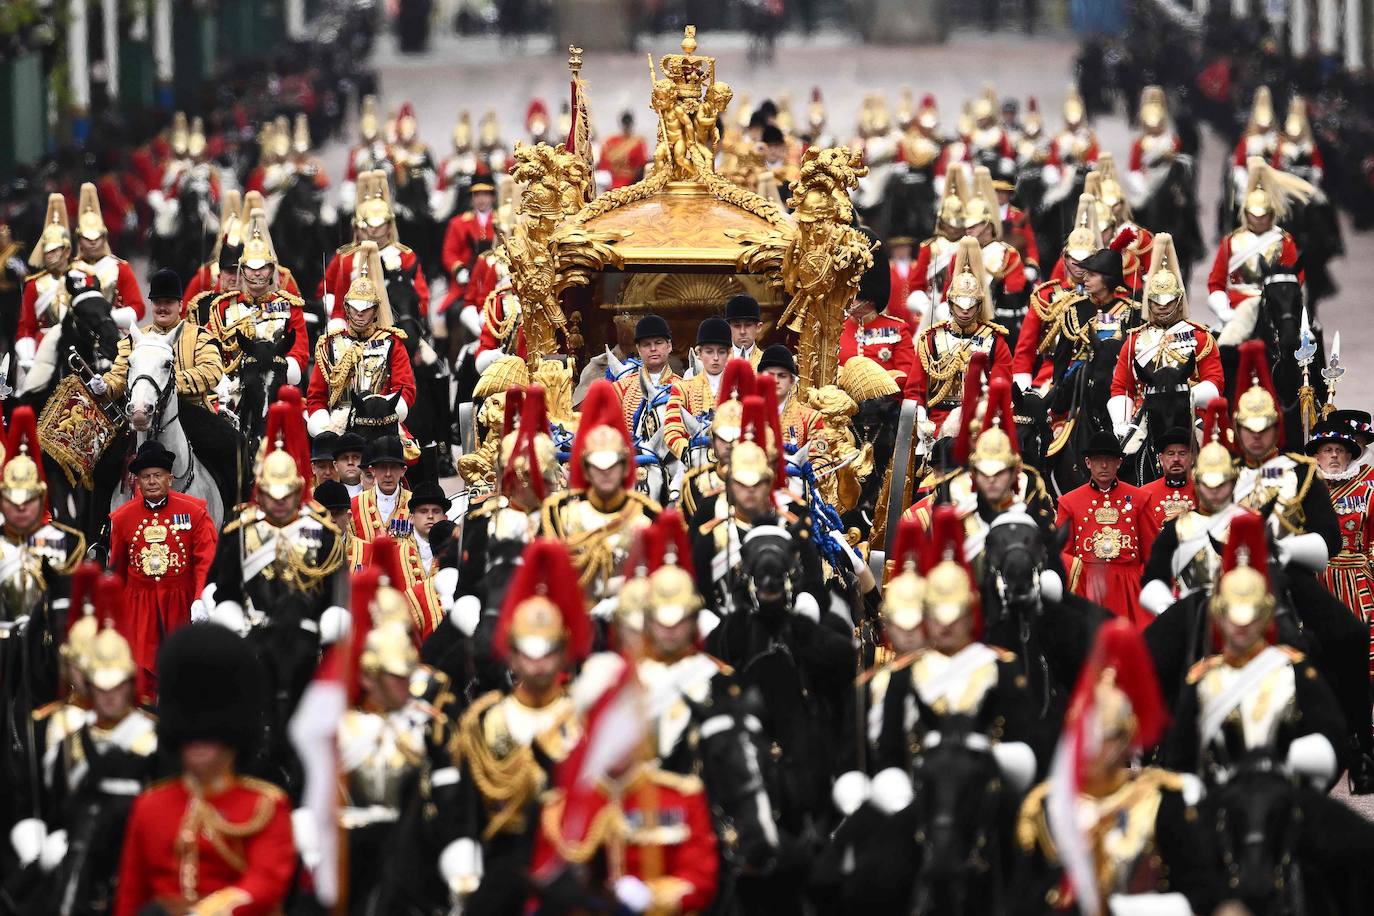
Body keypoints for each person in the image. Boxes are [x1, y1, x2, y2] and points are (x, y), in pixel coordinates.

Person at [1229, 340, 1374, 790]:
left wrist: (1288, 549)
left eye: (1265, 427)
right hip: (1235, 576)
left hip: (1297, 570)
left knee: (1351, 636)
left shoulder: (1300, 473)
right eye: (1248, 429)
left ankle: (1361, 748)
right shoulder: (1224, 469)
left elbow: (1329, 538)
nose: (1257, 437)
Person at [1017, 621, 1226, 916]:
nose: (1092, 748)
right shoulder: (1046, 808)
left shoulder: (1160, 802)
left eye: (1105, 737)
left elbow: (1201, 894)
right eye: (1084, 735)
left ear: (1126, 737)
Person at [435, 539, 588, 911]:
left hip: (568, 866)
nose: (537, 665)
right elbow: (468, 809)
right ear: (511, 653)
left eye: (548, 652)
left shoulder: (582, 722)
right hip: (500, 860)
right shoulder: (485, 720)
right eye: (527, 653)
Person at [113, 623, 293, 916]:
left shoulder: (265, 807)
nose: (199, 743)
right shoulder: (150, 807)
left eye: (211, 737)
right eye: (191, 735)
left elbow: (265, 885)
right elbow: (130, 901)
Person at [1163, 510, 1345, 788]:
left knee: (1350, 635)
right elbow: (1181, 759)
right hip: (1224, 794)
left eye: (1250, 617)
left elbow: (1330, 741)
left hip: (1283, 791)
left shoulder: (1296, 670)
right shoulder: (1201, 679)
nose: (1241, 626)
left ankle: (1365, 752)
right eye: (1233, 617)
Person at [205, 397, 344, 620]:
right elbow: (224, 586)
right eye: (271, 494)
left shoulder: (323, 531)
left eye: (287, 494)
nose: (279, 502)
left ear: (298, 490)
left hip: (305, 637)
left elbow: (333, 595)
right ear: (259, 491)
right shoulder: (238, 531)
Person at [107, 440, 218, 699]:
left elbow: (206, 560)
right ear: (137, 481)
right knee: (139, 678)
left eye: (157, 475)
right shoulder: (122, 518)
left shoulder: (194, 512)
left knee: (184, 675)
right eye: (145, 477)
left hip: (181, 604)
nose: (152, 481)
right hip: (139, 607)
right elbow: (117, 569)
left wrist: (201, 598)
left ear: (170, 478)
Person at [542, 380, 659, 601]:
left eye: (612, 464)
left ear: (625, 467)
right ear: (585, 469)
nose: (605, 472)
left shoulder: (646, 516)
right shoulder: (560, 517)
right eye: (597, 465)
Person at [1107, 233, 1222, 439]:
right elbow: (1122, 387)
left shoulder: (1201, 337)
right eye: (1156, 303)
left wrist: (1185, 395)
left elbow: (1214, 383)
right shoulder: (1134, 340)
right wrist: (1121, 422)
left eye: (1167, 303)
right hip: (1144, 416)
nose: (1161, 308)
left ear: (1178, 301)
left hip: (1191, 413)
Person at [306, 241, 417, 438]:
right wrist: (324, 427)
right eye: (355, 309)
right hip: (338, 423)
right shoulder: (329, 344)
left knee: (410, 456)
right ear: (346, 308)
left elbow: (405, 388)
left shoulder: (392, 342)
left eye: (365, 309)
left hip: (383, 419)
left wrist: (384, 411)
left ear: (375, 311)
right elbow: (316, 396)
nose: (359, 315)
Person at [904, 236, 1013, 434]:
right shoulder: (931, 339)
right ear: (951, 303)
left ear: (978, 305)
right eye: (960, 305)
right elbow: (915, 390)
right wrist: (920, 418)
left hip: (980, 422)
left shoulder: (995, 340)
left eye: (971, 305)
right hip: (935, 425)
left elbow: (1002, 386)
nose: (965, 311)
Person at [1206, 157, 1310, 346]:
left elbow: (1297, 277)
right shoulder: (1231, 241)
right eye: (1255, 215)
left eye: (1264, 215)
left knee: (1309, 342)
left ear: (1272, 214)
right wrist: (1223, 310)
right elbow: (1216, 282)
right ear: (1246, 214)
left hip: (1277, 308)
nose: (1260, 220)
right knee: (1214, 349)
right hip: (1237, 310)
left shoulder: (1283, 241)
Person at [1056, 432, 1155, 628]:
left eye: (1109, 460)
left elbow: (1153, 553)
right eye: (1098, 460)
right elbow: (1061, 555)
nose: (1103, 466)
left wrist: (1140, 586)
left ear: (1118, 463)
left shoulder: (1139, 499)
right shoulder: (1069, 502)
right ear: (1087, 462)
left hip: (1130, 591)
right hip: (1088, 591)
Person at [95, 268, 225, 412]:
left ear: (180, 305)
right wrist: (104, 387)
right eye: (157, 302)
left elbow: (213, 370)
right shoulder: (134, 340)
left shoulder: (200, 336)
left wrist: (169, 382)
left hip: (193, 414)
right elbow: (119, 377)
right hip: (144, 413)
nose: (162, 308)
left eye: (168, 302)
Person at [207, 208, 310, 386]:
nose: (257, 274)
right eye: (251, 269)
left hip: (278, 385)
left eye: (262, 268)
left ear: (271, 270)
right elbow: (208, 347)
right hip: (232, 388)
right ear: (243, 270)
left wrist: (283, 373)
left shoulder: (289, 306)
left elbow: (299, 350)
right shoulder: (222, 307)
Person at [0, 407, 86, 619]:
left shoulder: (69, 543)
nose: (21, 507)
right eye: (13, 499)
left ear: (41, 498)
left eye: (29, 499)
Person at [1305, 419, 1374, 673]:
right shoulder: (1304, 493)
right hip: (1317, 580)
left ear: (1349, 456)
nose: (1334, 455)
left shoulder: (1367, 492)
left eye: (1340, 450)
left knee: (1363, 653)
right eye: (1327, 450)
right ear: (1316, 456)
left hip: (1357, 583)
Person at [1011, 194, 1097, 391]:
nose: (1079, 267)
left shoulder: (1107, 296)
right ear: (1065, 258)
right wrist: (1022, 387)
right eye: (1074, 260)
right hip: (1049, 377)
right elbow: (1025, 348)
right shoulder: (1045, 297)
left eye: (1085, 261)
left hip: (1094, 375)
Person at [323, 169, 430, 324]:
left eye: (379, 225)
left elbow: (422, 297)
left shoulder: (405, 256)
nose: (373, 230)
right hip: (351, 321)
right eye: (368, 226)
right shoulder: (345, 258)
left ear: (388, 226)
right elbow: (329, 291)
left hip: (397, 322)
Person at [839, 227, 916, 384]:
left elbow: (907, 377)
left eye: (856, 297)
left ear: (869, 297)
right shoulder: (836, 329)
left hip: (884, 406)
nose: (851, 300)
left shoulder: (898, 330)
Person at [612, 313, 690, 467]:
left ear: (669, 346)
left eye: (658, 342)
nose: (653, 348)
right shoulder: (621, 388)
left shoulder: (685, 388)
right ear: (639, 350)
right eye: (646, 344)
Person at [681, 360, 753, 520]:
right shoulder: (695, 484)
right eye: (724, 438)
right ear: (713, 440)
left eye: (736, 438)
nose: (730, 445)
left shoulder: (760, 482)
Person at [68, 182, 144, 326]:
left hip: (113, 328)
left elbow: (138, 307)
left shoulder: (121, 268)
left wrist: (107, 317)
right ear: (79, 240)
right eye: (87, 238)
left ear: (104, 238)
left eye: (98, 238)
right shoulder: (70, 270)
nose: (93, 242)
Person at [16, 193, 73, 369]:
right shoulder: (34, 285)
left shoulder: (83, 278)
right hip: (44, 351)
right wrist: (28, 355)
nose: (51, 255)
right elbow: (26, 326)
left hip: (77, 347)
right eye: (48, 251)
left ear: (66, 251)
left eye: (57, 250)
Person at [907, 170, 969, 326]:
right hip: (933, 305)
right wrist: (924, 305)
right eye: (950, 224)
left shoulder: (970, 246)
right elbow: (916, 284)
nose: (954, 229)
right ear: (942, 222)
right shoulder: (930, 247)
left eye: (957, 225)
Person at [440, 177, 495, 313]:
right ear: (471, 198)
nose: (481, 199)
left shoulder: (501, 220)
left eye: (485, 195)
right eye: (477, 195)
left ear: (492, 197)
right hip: (466, 281)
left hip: (495, 278)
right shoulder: (458, 223)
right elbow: (449, 252)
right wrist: (459, 270)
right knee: (450, 313)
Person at [758, 343, 822, 452]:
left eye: (782, 376)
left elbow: (821, 460)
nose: (775, 381)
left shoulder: (810, 419)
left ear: (792, 381)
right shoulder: (744, 414)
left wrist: (803, 467)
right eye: (770, 375)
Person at [351, 435, 412, 542]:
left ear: (403, 470)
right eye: (382, 467)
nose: (388, 474)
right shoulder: (355, 505)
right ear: (372, 470)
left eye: (393, 467)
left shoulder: (414, 503)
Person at [1137, 427, 1197, 531]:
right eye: (1170, 454)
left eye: (1182, 454)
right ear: (1161, 459)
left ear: (1192, 459)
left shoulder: (1205, 492)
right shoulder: (1144, 494)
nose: (1176, 459)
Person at [680, 315, 732, 414]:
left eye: (721, 352)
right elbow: (673, 426)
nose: (716, 358)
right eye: (709, 352)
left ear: (728, 354)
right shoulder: (682, 389)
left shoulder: (740, 388)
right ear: (699, 353)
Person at [596, 110, 649, 189]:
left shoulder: (610, 141)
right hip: (616, 181)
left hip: (627, 182)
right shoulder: (638, 142)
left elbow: (641, 165)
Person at [723, 294, 765, 367]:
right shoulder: (718, 361)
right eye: (737, 326)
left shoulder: (766, 362)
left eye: (748, 325)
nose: (742, 331)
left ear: (758, 327)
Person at [334, 431, 368, 499]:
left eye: (356, 457)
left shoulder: (377, 494)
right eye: (344, 458)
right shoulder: (328, 496)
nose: (350, 462)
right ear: (335, 465)